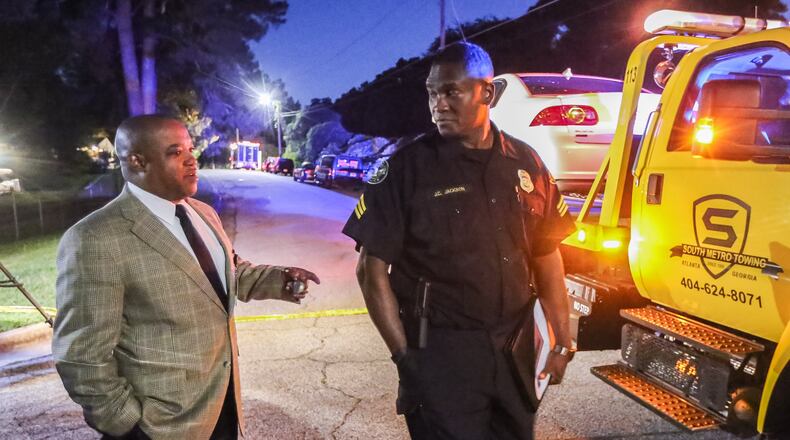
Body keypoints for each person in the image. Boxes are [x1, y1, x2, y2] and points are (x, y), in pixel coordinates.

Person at [343, 42, 576, 439]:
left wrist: (561, 340)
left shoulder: (527, 163)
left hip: (515, 349)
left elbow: (547, 255)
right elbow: (371, 270)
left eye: (451, 91)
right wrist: (405, 358)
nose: (438, 104)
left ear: (487, 93)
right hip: (442, 352)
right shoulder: (406, 170)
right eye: (432, 93)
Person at [52, 115, 319, 440]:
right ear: (138, 161)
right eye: (175, 152)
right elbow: (81, 355)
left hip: (223, 407)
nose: (193, 160)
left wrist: (280, 279)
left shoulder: (204, 214)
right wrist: (128, 426)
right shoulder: (95, 239)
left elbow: (231, 273)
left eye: (191, 149)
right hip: (160, 427)